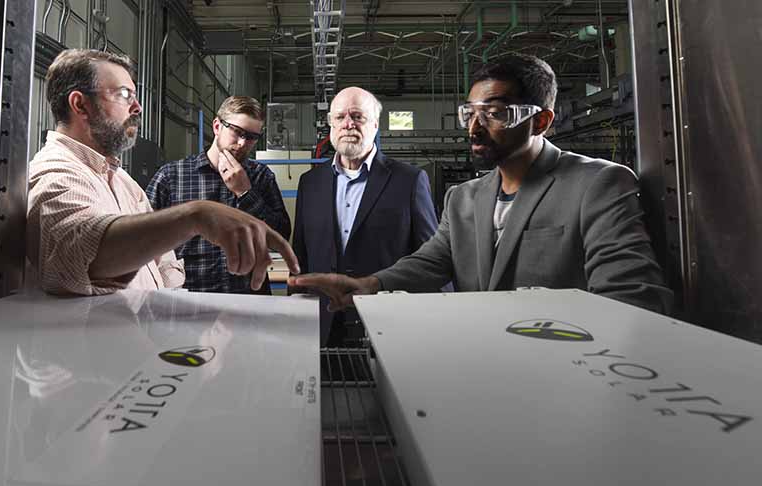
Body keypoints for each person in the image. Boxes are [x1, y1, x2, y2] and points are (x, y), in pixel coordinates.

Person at [289, 54, 672, 315]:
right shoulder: (464, 198)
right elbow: (430, 262)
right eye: (470, 113)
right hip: (482, 366)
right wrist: (368, 284)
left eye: (494, 113)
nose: (475, 127)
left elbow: (632, 299)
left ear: (540, 121)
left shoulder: (598, 184)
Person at [27, 49, 298, 296]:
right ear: (80, 105)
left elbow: (162, 260)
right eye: (124, 95)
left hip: (190, 317)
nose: (138, 107)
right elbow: (80, 255)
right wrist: (196, 216)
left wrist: (172, 307)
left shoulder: (123, 181)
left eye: (251, 137)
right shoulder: (56, 172)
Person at [292, 86, 439, 345]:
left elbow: (431, 259)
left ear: (374, 124)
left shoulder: (409, 180)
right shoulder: (310, 183)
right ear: (331, 125)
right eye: (340, 117)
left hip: (388, 325)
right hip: (323, 327)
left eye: (357, 116)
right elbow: (300, 256)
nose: (348, 124)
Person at [145, 96, 290, 294]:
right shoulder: (171, 177)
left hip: (248, 301)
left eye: (251, 137)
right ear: (216, 126)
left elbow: (280, 236)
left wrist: (245, 192)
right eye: (237, 132)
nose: (242, 143)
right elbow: (143, 239)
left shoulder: (261, 177)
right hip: (189, 303)